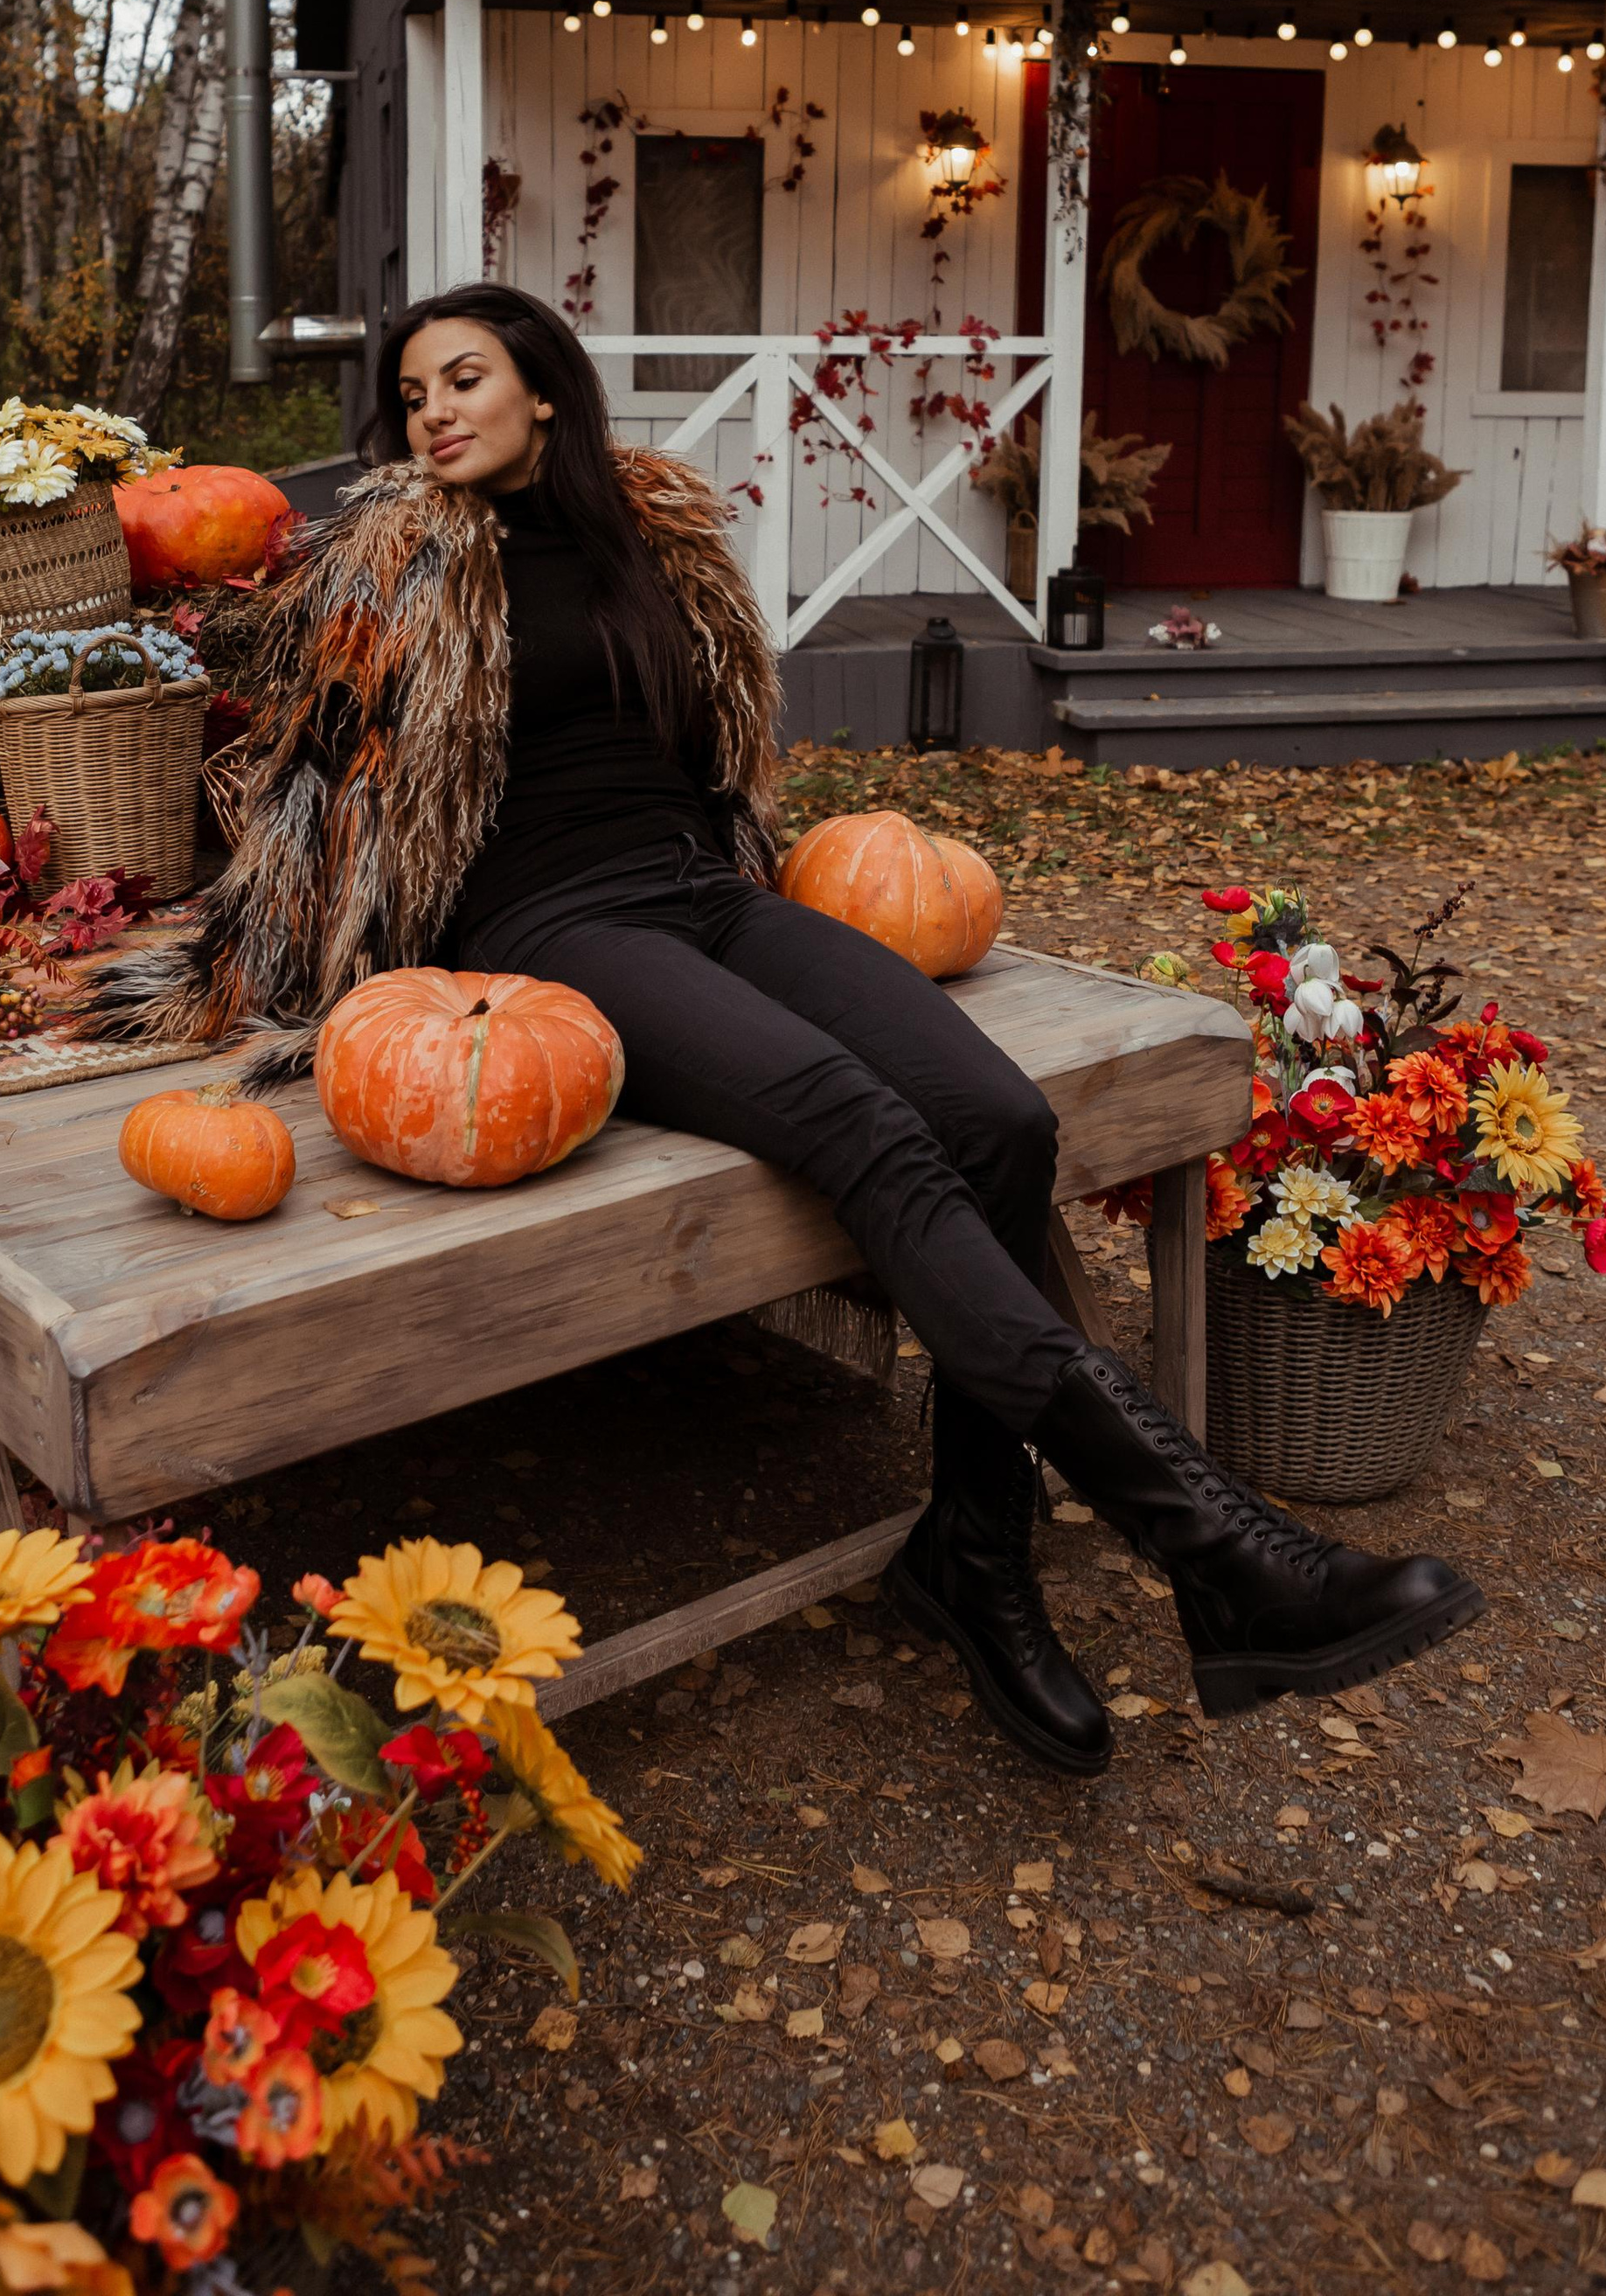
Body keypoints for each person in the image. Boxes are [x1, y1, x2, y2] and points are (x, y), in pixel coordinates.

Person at [95, 284, 1481, 1773]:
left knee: (1001, 1122)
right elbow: (304, 766)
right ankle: (1208, 1543)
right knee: (857, 1123)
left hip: (704, 890)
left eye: (465, 378)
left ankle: (975, 1548)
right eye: (413, 390)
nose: (432, 410)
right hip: (552, 929)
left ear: (545, 392)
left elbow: (717, 755)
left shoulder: (656, 542)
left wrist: (741, 878)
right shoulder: (394, 555)